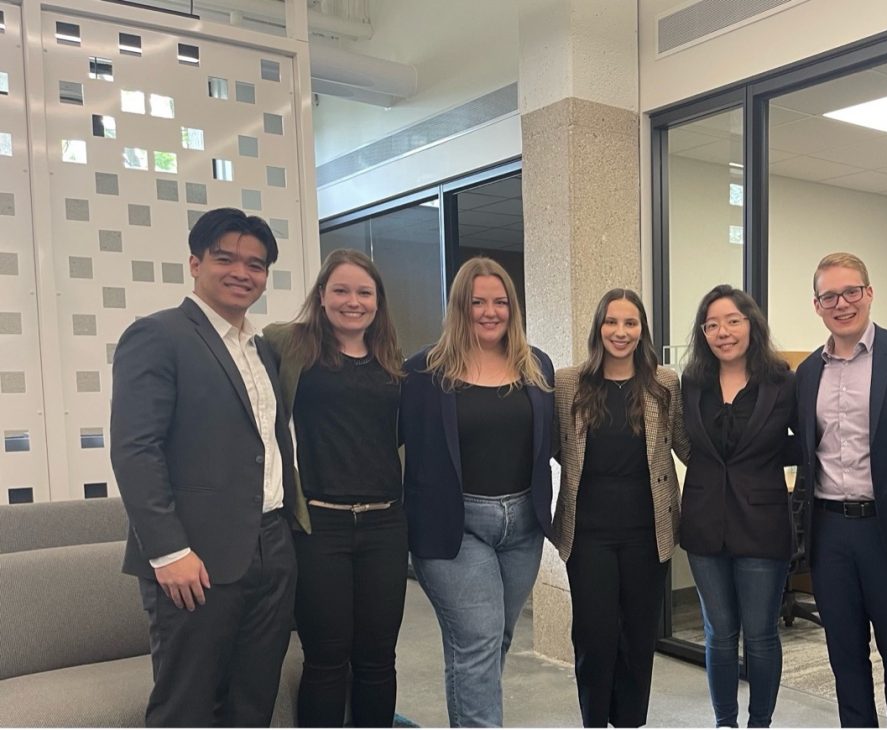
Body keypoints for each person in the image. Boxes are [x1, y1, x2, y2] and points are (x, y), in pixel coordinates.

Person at [110, 207, 297, 726]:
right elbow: (135, 449)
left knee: (253, 701)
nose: (242, 272)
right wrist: (168, 551)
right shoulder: (158, 335)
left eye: (255, 264)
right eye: (225, 258)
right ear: (195, 264)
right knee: (187, 706)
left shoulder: (262, 349)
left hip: (271, 548)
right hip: (194, 558)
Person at [400, 256, 555, 727]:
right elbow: (379, 441)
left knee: (492, 640)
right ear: (459, 307)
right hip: (455, 526)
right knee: (479, 640)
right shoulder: (423, 372)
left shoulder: (536, 366)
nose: (490, 312)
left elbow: (556, 440)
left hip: (523, 526)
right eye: (477, 302)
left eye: (500, 302)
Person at [794, 253, 887, 728]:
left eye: (851, 292)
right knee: (845, 657)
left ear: (869, 293)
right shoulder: (807, 373)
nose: (842, 304)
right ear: (817, 305)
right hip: (829, 533)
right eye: (829, 296)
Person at [262, 249, 407, 727]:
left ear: (378, 300)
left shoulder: (392, 360)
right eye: (341, 290)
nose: (353, 301)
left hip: (385, 524)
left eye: (364, 292)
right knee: (326, 658)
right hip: (319, 525)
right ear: (321, 295)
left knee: (378, 658)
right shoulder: (290, 346)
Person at [552, 288, 690, 728]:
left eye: (631, 323)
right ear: (598, 327)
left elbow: (685, 444)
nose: (621, 332)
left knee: (637, 638)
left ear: (642, 330)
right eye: (612, 322)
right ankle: (594, 720)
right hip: (587, 533)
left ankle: (630, 721)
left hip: (648, 533)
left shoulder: (664, 383)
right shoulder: (568, 382)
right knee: (594, 637)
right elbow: (552, 446)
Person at [679, 284, 797, 729]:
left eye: (732, 321)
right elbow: (686, 441)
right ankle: (724, 722)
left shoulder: (782, 381)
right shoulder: (692, 382)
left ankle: (759, 723)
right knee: (719, 634)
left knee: (761, 634)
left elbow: (807, 441)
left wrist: (769, 457)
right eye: (711, 325)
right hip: (704, 523)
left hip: (762, 523)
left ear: (751, 324)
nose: (722, 332)